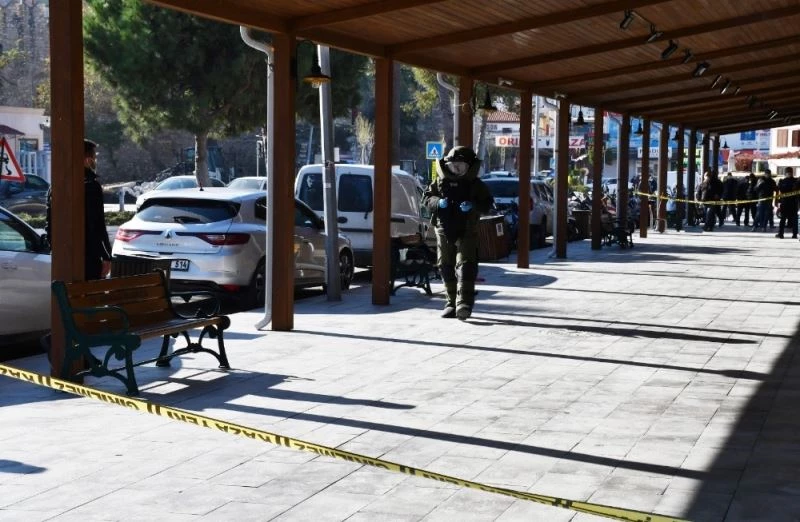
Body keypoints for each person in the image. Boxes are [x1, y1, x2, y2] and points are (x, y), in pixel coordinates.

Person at [422, 146, 492, 320]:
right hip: (443, 229)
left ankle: (464, 303)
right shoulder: (439, 181)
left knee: (466, 266)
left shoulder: (475, 184)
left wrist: (473, 206)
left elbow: (487, 204)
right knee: (445, 266)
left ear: (470, 166)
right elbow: (426, 199)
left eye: (461, 166)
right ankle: (451, 303)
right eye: (453, 166)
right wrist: (438, 203)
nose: (456, 170)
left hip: (467, 230)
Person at [46, 139, 112, 280]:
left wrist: (55, 249)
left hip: (62, 256)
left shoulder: (56, 186)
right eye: (93, 156)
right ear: (87, 158)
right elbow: (97, 224)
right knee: (89, 292)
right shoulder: (91, 186)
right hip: (89, 256)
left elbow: (50, 224)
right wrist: (106, 255)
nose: (94, 160)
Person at [775, 167, 798, 239]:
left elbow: (779, 191)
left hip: (785, 202)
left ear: (785, 173)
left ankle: (781, 234)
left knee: (783, 219)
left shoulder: (782, 181)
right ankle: (794, 234)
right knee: (794, 219)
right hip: (793, 203)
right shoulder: (796, 181)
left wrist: (777, 201)